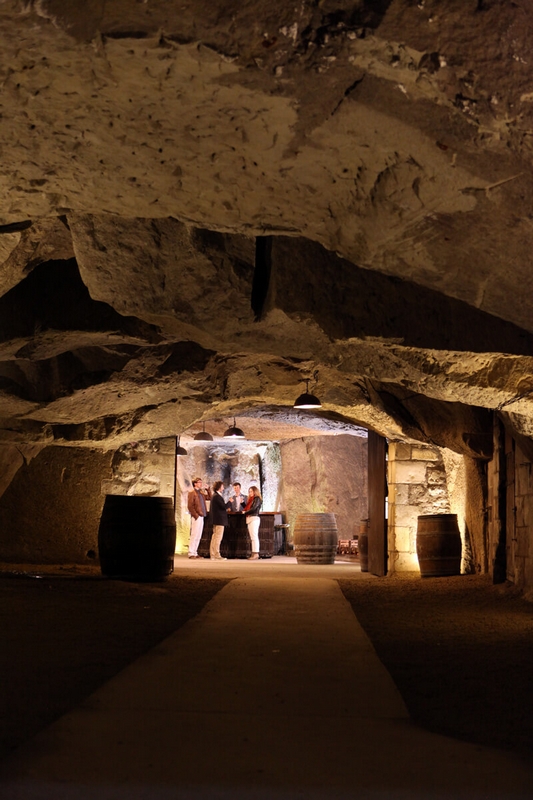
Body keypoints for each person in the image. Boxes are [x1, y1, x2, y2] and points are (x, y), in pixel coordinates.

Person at [187, 477, 211, 559]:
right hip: (197, 516)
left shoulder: (200, 493)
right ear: (195, 484)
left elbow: (209, 498)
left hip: (202, 515)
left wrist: (208, 489)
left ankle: (195, 552)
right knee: (194, 534)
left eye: (201, 482)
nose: (201, 483)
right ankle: (191, 553)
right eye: (199, 482)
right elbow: (190, 506)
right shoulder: (192, 493)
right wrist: (195, 515)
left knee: (198, 535)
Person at [209, 480, 228, 560]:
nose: (223, 488)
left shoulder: (214, 496)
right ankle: (217, 554)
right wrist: (230, 502)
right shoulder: (217, 496)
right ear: (219, 487)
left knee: (215, 536)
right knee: (218, 537)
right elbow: (223, 506)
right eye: (222, 486)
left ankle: (213, 554)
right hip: (219, 520)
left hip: (216, 520)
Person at [243, 485, 262, 560]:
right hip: (250, 518)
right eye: (249, 491)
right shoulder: (250, 500)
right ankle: (254, 552)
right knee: (252, 537)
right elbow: (249, 507)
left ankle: (256, 553)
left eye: (251, 491)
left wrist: (245, 512)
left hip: (254, 518)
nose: (250, 493)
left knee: (254, 536)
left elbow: (253, 508)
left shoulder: (257, 499)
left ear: (255, 491)